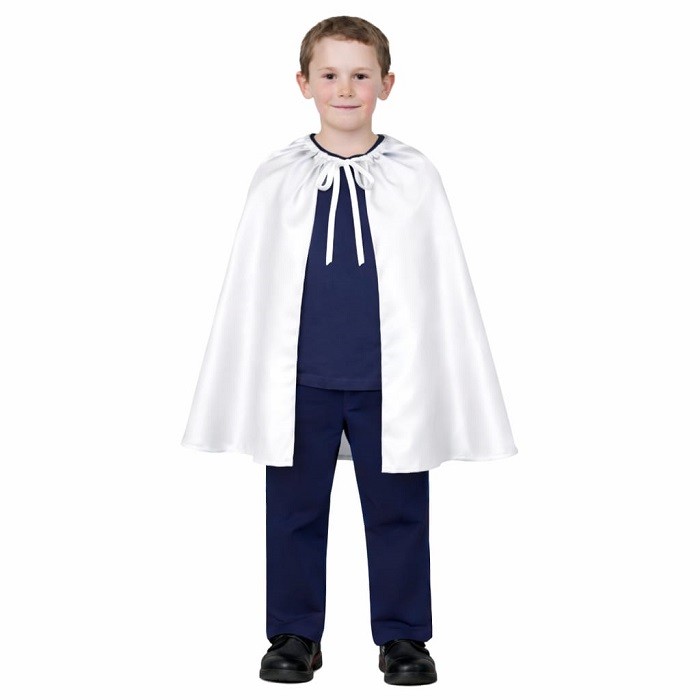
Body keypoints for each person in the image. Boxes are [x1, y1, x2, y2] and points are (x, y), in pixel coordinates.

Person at [181, 15, 518, 686]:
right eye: (330, 75)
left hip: (390, 380)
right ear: (303, 83)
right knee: (294, 510)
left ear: (386, 85)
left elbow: (439, 285)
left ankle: (402, 636)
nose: (344, 89)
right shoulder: (279, 177)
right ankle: (295, 633)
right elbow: (253, 286)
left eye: (360, 75)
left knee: (398, 512)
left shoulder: (413, 177)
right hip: (298, 378)